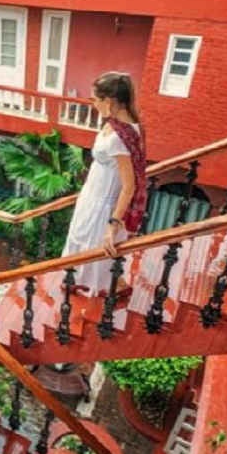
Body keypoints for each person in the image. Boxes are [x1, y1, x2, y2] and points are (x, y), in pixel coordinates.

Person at [61, 72, 147, 296]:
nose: (93, 105)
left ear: (108, 101)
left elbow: (129, 186)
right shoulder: (117, 124)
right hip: (92, 195)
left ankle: (115, 286)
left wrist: (113, 223)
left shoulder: (120, 137)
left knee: (95, 246)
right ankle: (80, 279)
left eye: (95, 100)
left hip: (104, 203)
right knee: (81, 240)